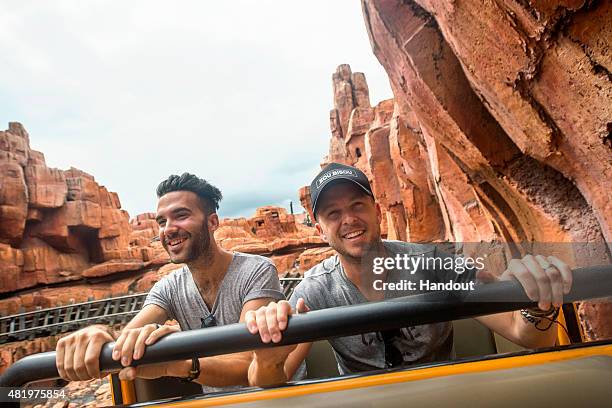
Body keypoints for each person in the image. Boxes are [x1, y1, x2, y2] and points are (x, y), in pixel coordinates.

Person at [246, 163, 573, 386]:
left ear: (376, 211)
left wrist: (538, 302)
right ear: (320, 229)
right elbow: (272, 379)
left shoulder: (434, 263)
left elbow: (529, 335)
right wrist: (267, 357)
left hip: (442, 395)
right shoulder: (315, 290)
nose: (349, 219)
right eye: (333, 213)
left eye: (358, 205)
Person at [55, 173, 284, 392]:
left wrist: (181, 364)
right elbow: (127, 338)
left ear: (212, 222)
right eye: (162, 221)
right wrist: (101, 335)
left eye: (181, 216)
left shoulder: (256, 270)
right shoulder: (169, 287)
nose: (168, 229)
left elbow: (246, 363)